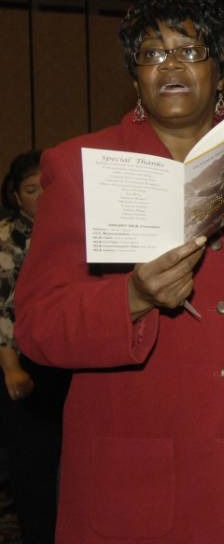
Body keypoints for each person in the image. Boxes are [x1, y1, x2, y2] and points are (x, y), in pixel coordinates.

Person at [14, 0, 224, 544]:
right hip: (129, 488)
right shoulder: (80, 168)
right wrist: (132, 299)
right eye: (151, 52)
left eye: (190, 50)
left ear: (222, 68)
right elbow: (37, 328)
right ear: (135, 74)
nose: (170, 64)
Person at [0, 151, 70, 544]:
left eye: (46, 188)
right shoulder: (8, 237)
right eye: (31, 190)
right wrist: (11, 367)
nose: (41, 197)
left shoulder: (67, 231)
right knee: (33, 466)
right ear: (15, 196)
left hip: (68, 360)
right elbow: (2, 308)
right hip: (23, 363)